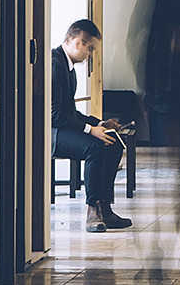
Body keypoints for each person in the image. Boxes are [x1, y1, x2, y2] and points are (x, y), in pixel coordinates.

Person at [53, 19, 133, 233]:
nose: (90, 54)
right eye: (89, 48)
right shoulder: (54, 64)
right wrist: (90, 130)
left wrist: (98, 123)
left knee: (113, 143)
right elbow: (55, 116)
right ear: (76, 41)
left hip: (64, 126)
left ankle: (105, 208)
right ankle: (93, 210)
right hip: (51, 133)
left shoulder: (67, 67)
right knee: (95, 147)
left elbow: (70, 112)